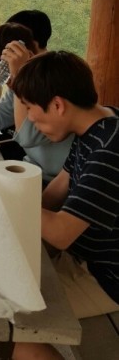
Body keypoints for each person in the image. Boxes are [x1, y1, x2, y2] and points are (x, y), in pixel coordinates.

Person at [9, 51, 119, 360]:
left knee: (17, 324)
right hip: (87, 256)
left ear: (57, 105)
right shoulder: (97, 125)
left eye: (30, 108)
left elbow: (60, 233)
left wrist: (3, 197)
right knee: (5, 264)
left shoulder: (109, 149)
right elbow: (56, 192)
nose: (29, 118)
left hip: (106, 277)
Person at [0, 22, 74, 184]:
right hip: (31, 171)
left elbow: (26, 137)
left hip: (56, 181)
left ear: (28, 53)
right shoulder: (19, 82)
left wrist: (19, 76)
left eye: (9, 73)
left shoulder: (54, 82)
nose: (9, 83)